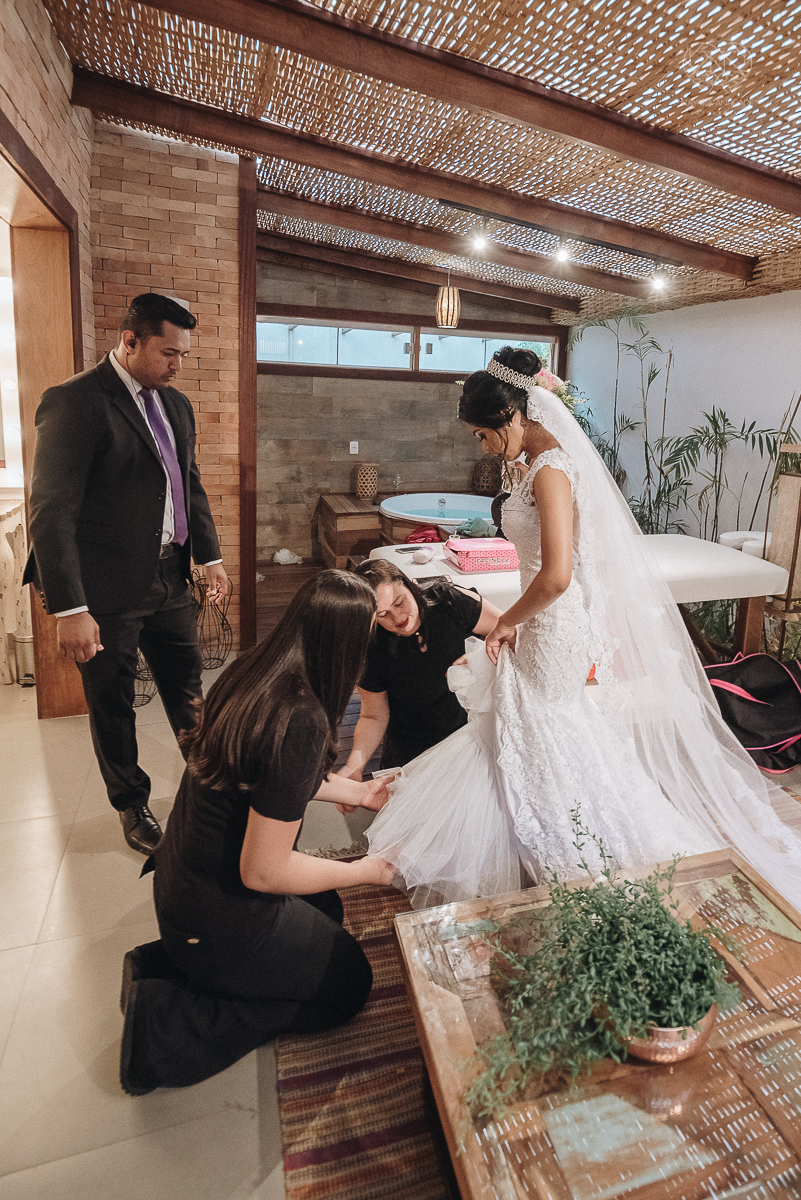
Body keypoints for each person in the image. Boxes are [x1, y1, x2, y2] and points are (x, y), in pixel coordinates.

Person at [367, 347, 801, 912]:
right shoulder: (536, 465)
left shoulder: (552, 471)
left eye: (482, 435)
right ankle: (546, 832)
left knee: (548, 728)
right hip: (543, 623)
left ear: (512, 418)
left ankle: (578, 844)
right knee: (540, 731)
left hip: (553, 626)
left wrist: (504, 627)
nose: (482, 446)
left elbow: (556, 577)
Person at [119, 570, 394, 1095]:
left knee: (326, 908)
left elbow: (272, 782)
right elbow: (264, 871)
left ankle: (172, 963)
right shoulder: (303, 720)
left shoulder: (255, 669)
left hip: (181, 889)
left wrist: (358, 793)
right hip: (216, 913)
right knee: (350, 985)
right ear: (346, 648)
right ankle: (163, 1020)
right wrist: (370, 870)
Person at [23, 293, 229, 854]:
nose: (177, 365)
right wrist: (70, 608)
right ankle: (130, 802)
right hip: (105, 589)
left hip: (170, 578)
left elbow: (189, 484)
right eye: (168, 352)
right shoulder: (75, 402)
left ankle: (209, 781)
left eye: (184, 354)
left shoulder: (176, 405)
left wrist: (208, 556)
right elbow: (51, 509)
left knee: (189, 689)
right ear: (130, 341)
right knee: (112, 702)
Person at [336, 560, 501, 779]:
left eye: (398, 602)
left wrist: (480, 657)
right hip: (412, 749)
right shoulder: (371, 647)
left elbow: (511, 632)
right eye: (382, 614)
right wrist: (354, 766)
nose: (397, 618)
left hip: (471, 737)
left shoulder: (448, 601)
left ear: (409, 585)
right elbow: (373, 715)